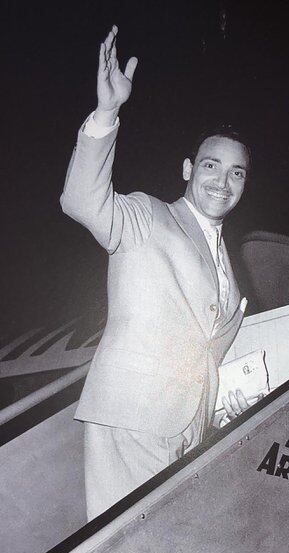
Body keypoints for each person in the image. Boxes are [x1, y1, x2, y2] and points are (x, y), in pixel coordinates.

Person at [61, 26, 252, 520]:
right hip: (133, 420)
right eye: (212, 165)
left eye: (237, 173)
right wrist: (107, 113)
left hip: (191, 431)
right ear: (188, 169)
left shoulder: (228, 260)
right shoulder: (148, 216)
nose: (223, 181)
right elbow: (82, 200)